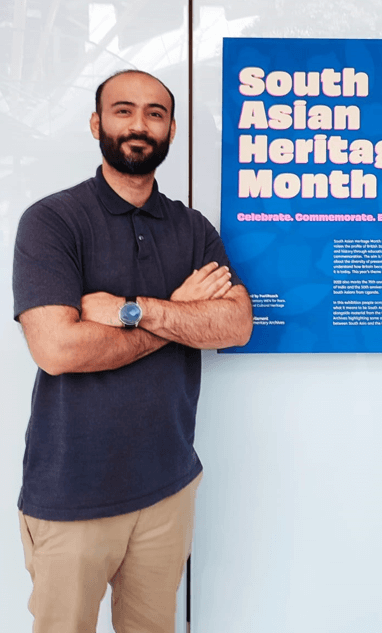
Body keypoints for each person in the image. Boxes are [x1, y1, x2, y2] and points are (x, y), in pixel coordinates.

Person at [12, 69, 253, 633]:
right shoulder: (52, 221)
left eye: (155, 113)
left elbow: (236, 323)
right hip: (71, 493)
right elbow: (56, 349)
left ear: (170, 131)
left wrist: (135, 309)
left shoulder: (193, 229)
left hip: (168, 487)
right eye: (123, 110)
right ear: (97, 123)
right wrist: (181, 316)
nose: (139, 125)